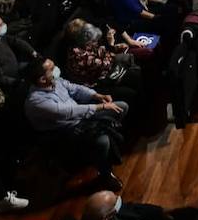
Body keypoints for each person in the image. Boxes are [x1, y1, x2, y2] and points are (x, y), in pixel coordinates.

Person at [22, 58, 128, 191]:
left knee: (122, 107)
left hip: (81, 116)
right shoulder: (36, 102)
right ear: (42, 79)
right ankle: (105, 175)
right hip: (64, 130)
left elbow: (74, 88)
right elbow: (69, 112)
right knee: (103, 141)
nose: (56, 70)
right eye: (52, 69)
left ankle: (105, 145)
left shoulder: (55, 81)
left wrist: (96, 95)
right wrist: (100, 106)